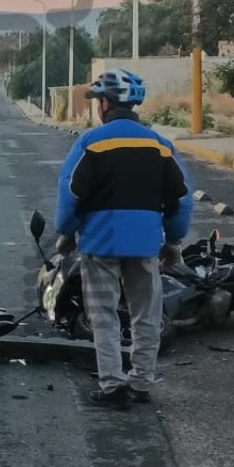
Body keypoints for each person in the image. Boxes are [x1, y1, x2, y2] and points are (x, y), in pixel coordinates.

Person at [55, 69, 193, 408]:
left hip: (100, 242)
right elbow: (181, 197)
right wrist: (173, 240)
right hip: (145, 243)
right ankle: (142, 383)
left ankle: (113, 386)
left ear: (105, 104)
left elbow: (71, 193)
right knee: (146, 315)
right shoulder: (160, 145)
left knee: (104, 316)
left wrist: (66, 232)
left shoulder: (91, 142)